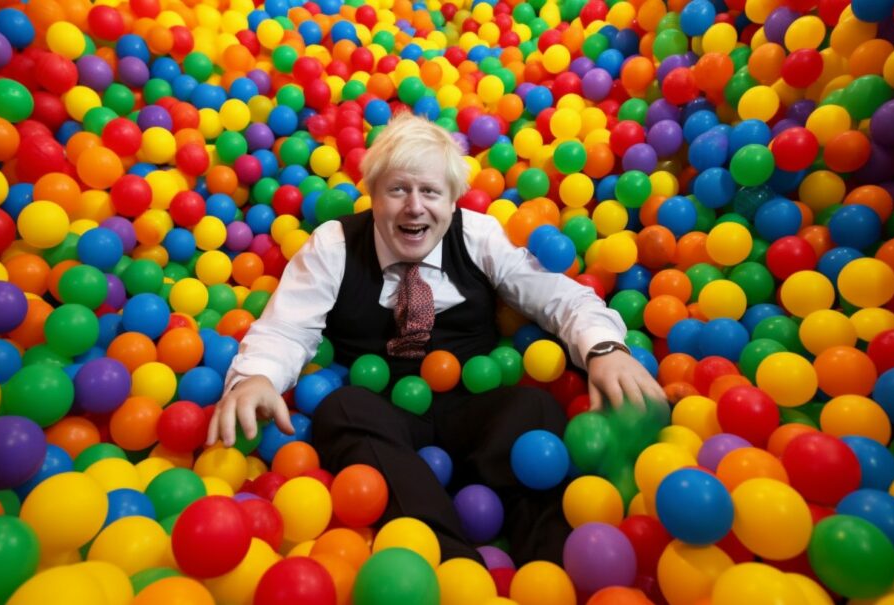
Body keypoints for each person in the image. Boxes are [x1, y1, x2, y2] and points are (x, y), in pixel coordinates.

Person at [206, 112, 665, 566]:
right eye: (398, 189)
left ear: (452, 201)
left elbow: (558, 298)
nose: (414, 206)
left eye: (430, 191)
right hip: (382, 414)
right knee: (339, 409)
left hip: (470, 406)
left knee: (536, 410)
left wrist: (605, 349)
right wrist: (255, 377)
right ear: (372, 195)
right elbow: (288, 327)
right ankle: (449, 565)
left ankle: (551, 572)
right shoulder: (335, 244)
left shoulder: (480, 236)